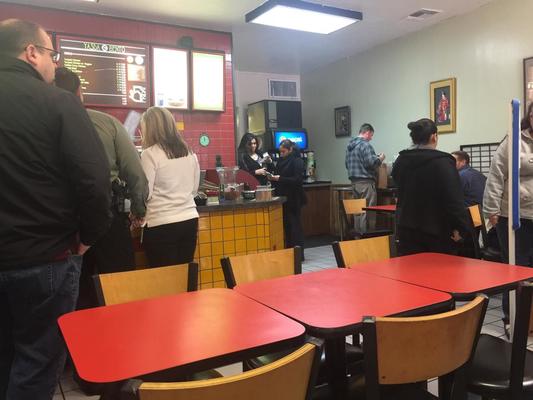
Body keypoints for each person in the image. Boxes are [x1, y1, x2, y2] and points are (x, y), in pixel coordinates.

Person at [0, 19, 111, 400]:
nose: (54, 62)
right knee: (37, 363)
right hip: (46, 258)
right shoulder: (59, 102)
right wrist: (88, 238)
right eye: (52, 53)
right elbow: (95, 182)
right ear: (31, 52)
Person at [54, 67, 149, 308]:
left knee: (74, 294)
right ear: (80, 93)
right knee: (121, 289)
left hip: (64, 223)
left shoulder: (40, 125)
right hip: (108, 216)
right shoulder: (106, 123)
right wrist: (138, 209)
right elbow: (135, 172)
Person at [483, 101, 533, 332]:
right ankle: (511, 318)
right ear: (529, 117)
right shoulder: (514, 140)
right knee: (516, 269)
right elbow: (496, 175)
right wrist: (491, 210)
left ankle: (529, 319)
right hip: (515, 217)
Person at [392, 118, 471, 256]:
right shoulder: (443, 163)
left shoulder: (401, 160)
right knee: (439, 269)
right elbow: (453, 199)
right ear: (434, 136)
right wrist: (461, 227)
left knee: (410, 268)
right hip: (438, 230)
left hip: (406, 228)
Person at [140, 107, 200, 267]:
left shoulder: (149, 154)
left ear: (149, 128)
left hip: (161, 223)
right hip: (189, 220)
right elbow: (194, 190)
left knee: (163, 278)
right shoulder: (189, 152)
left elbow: (145, 193)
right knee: (184, 274)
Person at [345, 123, 385, 234]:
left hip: (354, 183)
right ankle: (367, 238)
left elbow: (347, 165)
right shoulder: (365, 145)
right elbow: (371, 163)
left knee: (358, 212)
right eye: (371, 135)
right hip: (366, 183)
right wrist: (380, 158)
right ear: (367, 132)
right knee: (368, 212)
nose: (371, 138)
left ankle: (358, 237)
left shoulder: (349, 146)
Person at [268, 139, 306, 252]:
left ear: (290, 150)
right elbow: (278, 173)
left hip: (294, 198)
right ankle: (289, 251)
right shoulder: (281, 160)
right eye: (280, 152)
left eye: (283, 151)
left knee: (295, 226)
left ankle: (298, 253)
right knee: (287, 226)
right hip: (283, 197)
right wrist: (271, 168)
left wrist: (280, 179)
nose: (281, 154)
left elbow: (297, 180)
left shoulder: (297, 161)